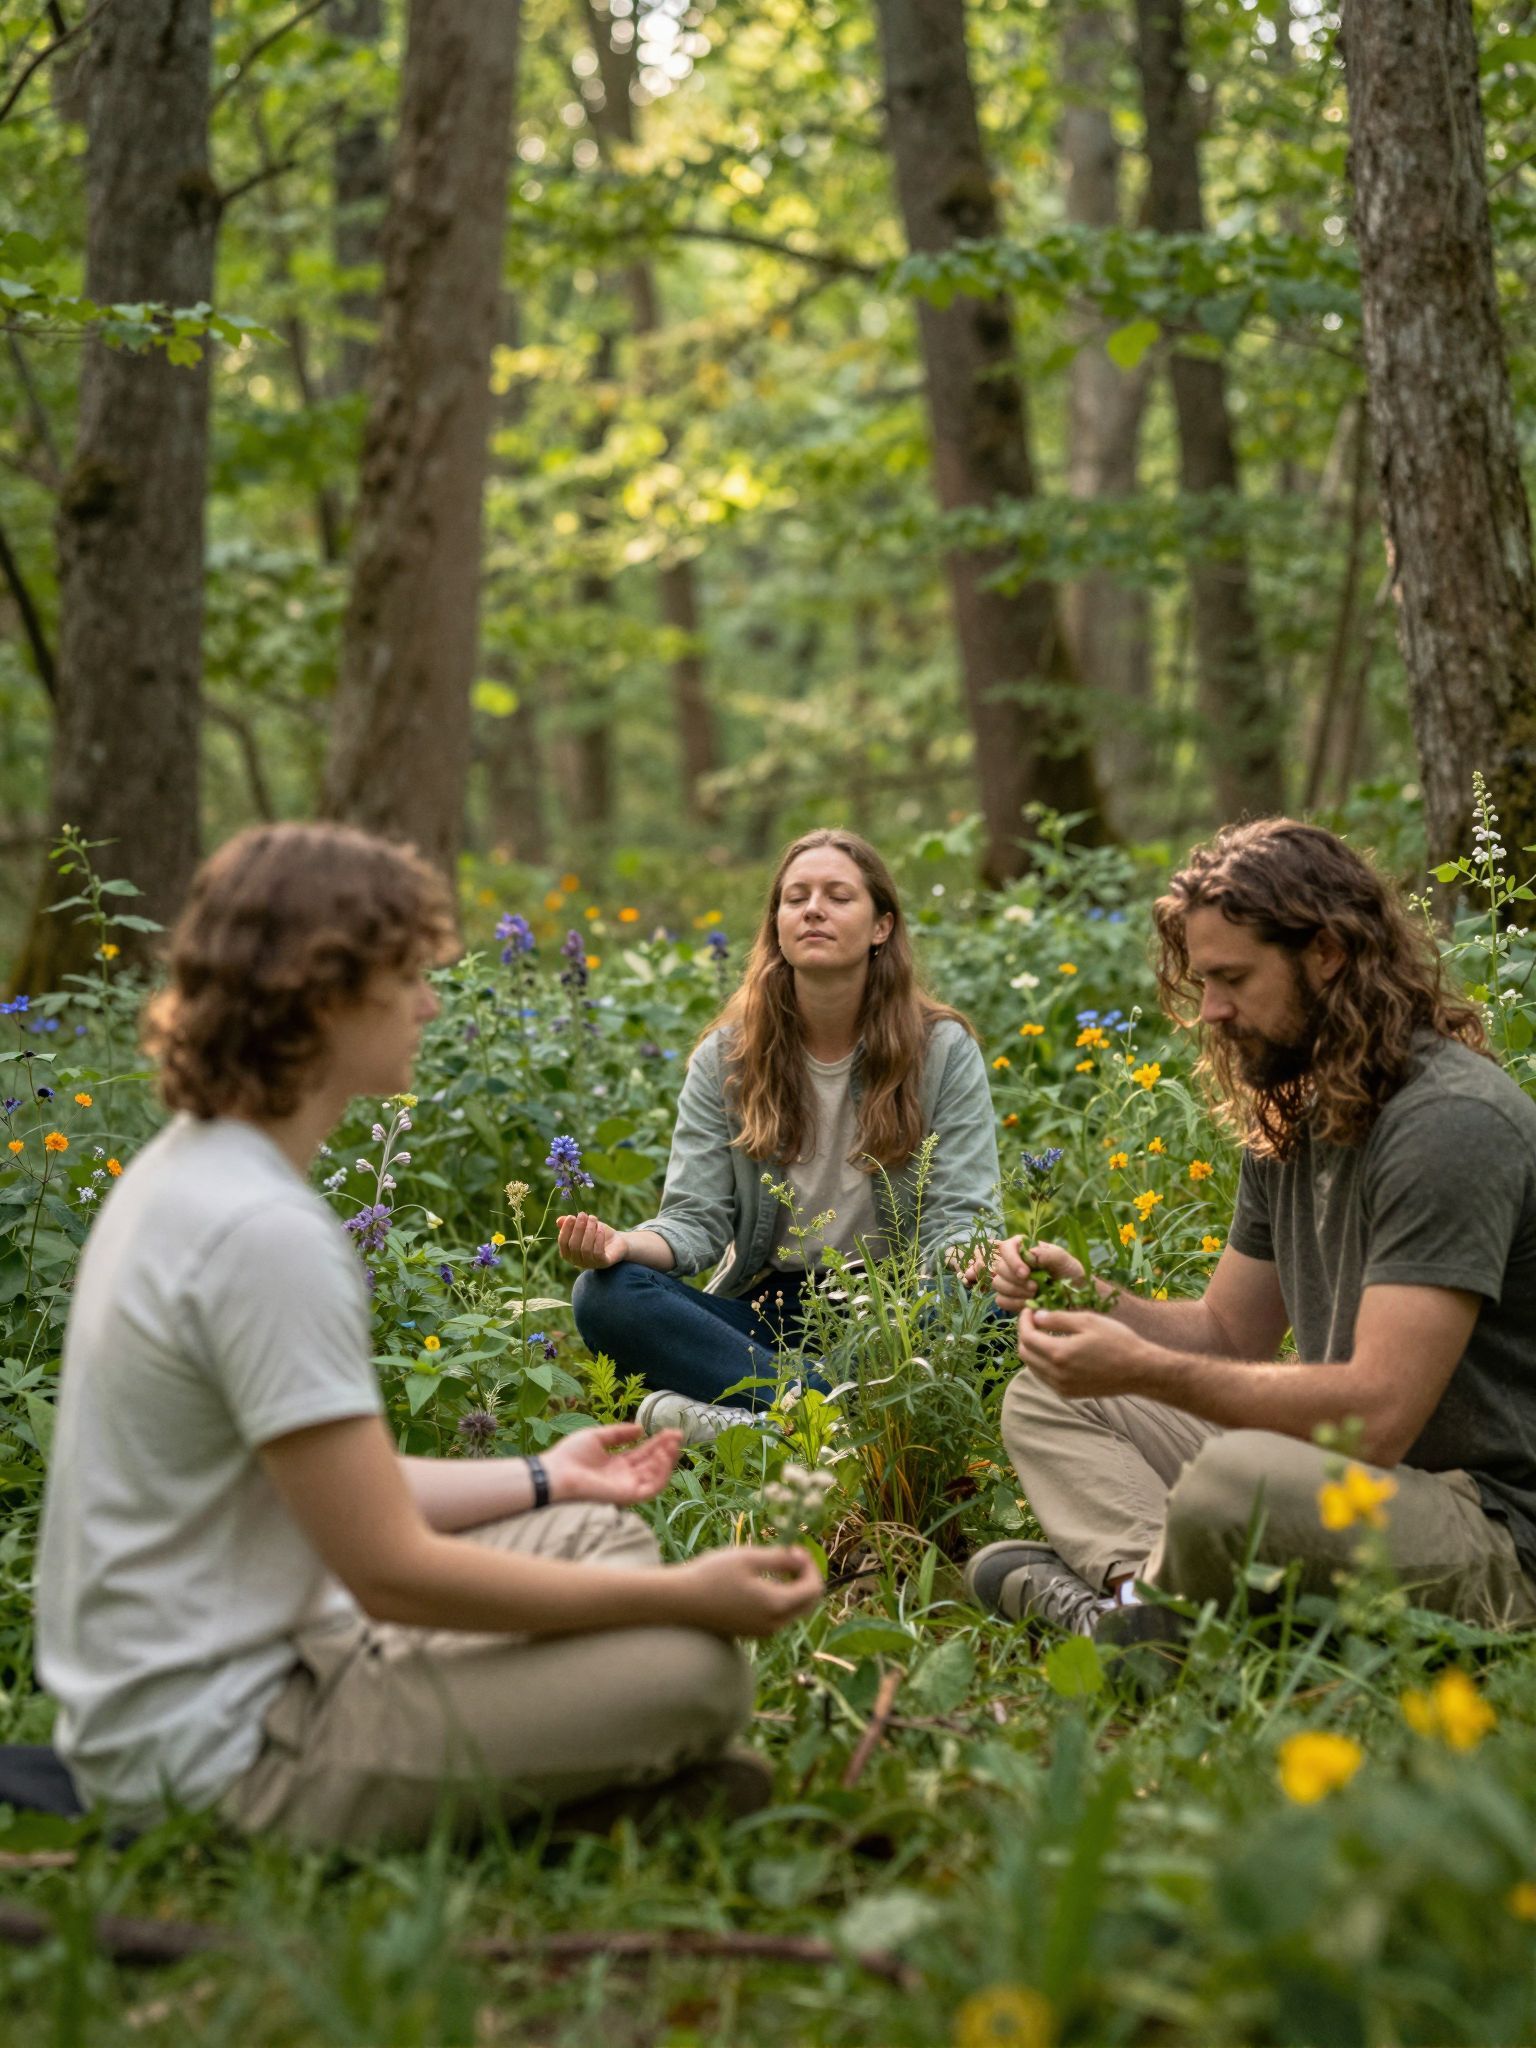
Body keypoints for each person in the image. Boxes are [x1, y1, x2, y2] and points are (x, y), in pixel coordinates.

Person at [36, 823, 821, 1848]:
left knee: (598, 1532)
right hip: (226, 1743)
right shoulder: (259, 1231)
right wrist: (689, 1592)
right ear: (321, 995)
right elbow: (389, 1569)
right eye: (406, 976)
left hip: (286, 1621)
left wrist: (549, 1475)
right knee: (696, 1668)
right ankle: (547, 1795)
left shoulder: (196, 1171)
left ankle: (570, 1775)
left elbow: (333, 1494)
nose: (429, 1003)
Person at [967, 818, 1536, 1642]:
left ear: (1329, 954)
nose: (1212, 1011)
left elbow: (1378, 1417)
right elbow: (1229, 1331)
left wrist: (1149, 1371)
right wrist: (1092, 1297)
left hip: (1493, 1530)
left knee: (1237, 1475)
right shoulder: (1297, 1107)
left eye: (1233, 978)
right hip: (1349, 1483)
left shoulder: (1450, 1122)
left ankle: (1141, 1612)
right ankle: (1145, 1612)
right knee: (1051, 1399)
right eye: (1202, 980)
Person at [560, 829, 1001, 1444]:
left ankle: (757, 1422)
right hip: (765, 1314)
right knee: (605, 1296)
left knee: (998, 1307)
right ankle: (838, 1419)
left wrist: (972, 1258)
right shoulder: (727, 1058)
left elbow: (961, 1216)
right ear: (777, 925)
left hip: (893, 1312)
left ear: (882, 927)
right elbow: (695, 1222)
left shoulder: (943, 1050)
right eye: (796, 898)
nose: (813, 909)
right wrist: (621, 1246)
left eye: (838, 896)